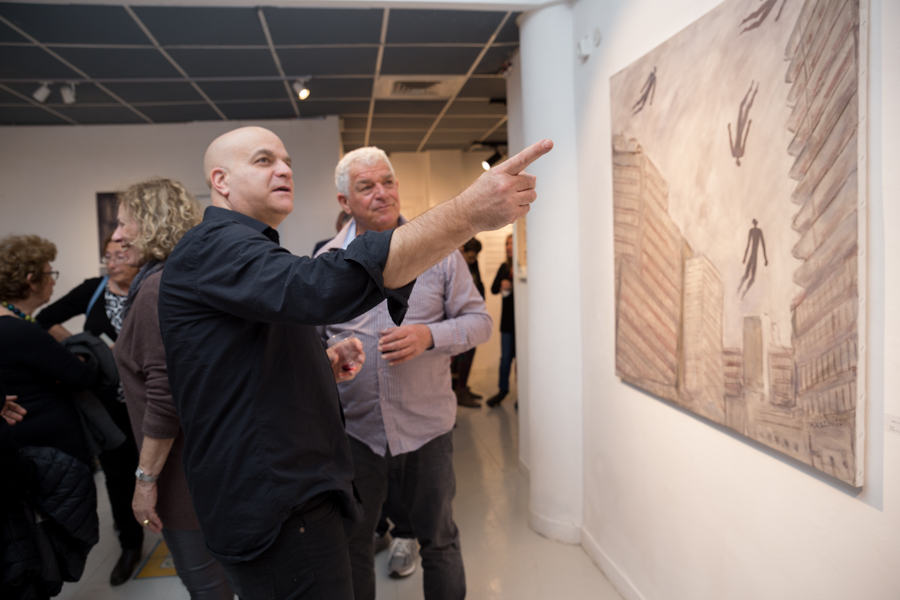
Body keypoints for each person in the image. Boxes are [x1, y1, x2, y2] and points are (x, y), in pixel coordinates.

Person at [157, 126, 551, 600]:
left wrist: (322, 361)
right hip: (291, 493)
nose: (284, 170)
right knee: (356, 551)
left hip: (405, 438)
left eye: (287, 162)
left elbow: (246, 362)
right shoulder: (218, 247)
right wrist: (467, 211)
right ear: (220, 181)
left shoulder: (248, 248)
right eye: (264, 161)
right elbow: (318, 290)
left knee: (437, 538)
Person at [317, 147, 491, 600]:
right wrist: (329, 354)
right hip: (357, 435)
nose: (382, 193)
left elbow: (480, 322)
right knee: (354, 544)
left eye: (388, 182)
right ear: (344, 202)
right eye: (366, 186)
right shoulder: (327, 261)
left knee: (439, 540)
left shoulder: (441, 253)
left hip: (427, 432)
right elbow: (310, 342)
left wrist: (428, 336)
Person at [110, 178, 233, 599]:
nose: (117, 235)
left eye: (123, 222)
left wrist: (145, 480)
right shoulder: (191, 276)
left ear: (150, 223)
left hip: (183, 470)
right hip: (216, 461)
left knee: (205, 584)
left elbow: (165, 398)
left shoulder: (155, 289)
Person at [35, 234, 145, 585]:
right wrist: (83, 347)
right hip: (107, 403)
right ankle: (130, 544)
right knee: (118, 474)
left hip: (150, 401)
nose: (111, 263)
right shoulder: (94, 289)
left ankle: (179, 533)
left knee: (163, 467)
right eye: (107, 257)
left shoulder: (151, 288)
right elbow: (45, 318)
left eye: (119, 256)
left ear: (140, 258)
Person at [0, 235, 97, 465]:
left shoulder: (13, 324)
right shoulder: (19, 331)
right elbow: (82, 376)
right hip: (48, 452)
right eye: (49, 273)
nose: (53, 281)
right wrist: (85, 353)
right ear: (32, 280)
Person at [453, 237, 486, 407]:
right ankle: (458, 391)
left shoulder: (472, 265)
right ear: (462, 250)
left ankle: (462, 388)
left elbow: (479, 286)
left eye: (475, 258)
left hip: (472, 315)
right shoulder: (455, 265)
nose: (473, 260)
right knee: (460, 355)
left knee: (469, 352)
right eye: (471, 257)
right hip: (460, 317)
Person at [487, 234, 516, 408]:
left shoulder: (522, 267)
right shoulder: (504, 267)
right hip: (506, 322)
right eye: (507, 244)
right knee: (505, 358)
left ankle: (522, 395)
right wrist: (501, 285)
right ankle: (502, 391)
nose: (509, 247)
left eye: (512, 243)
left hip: (521, 322)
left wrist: (513, 286)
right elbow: (492, 289)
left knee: (521, 359)